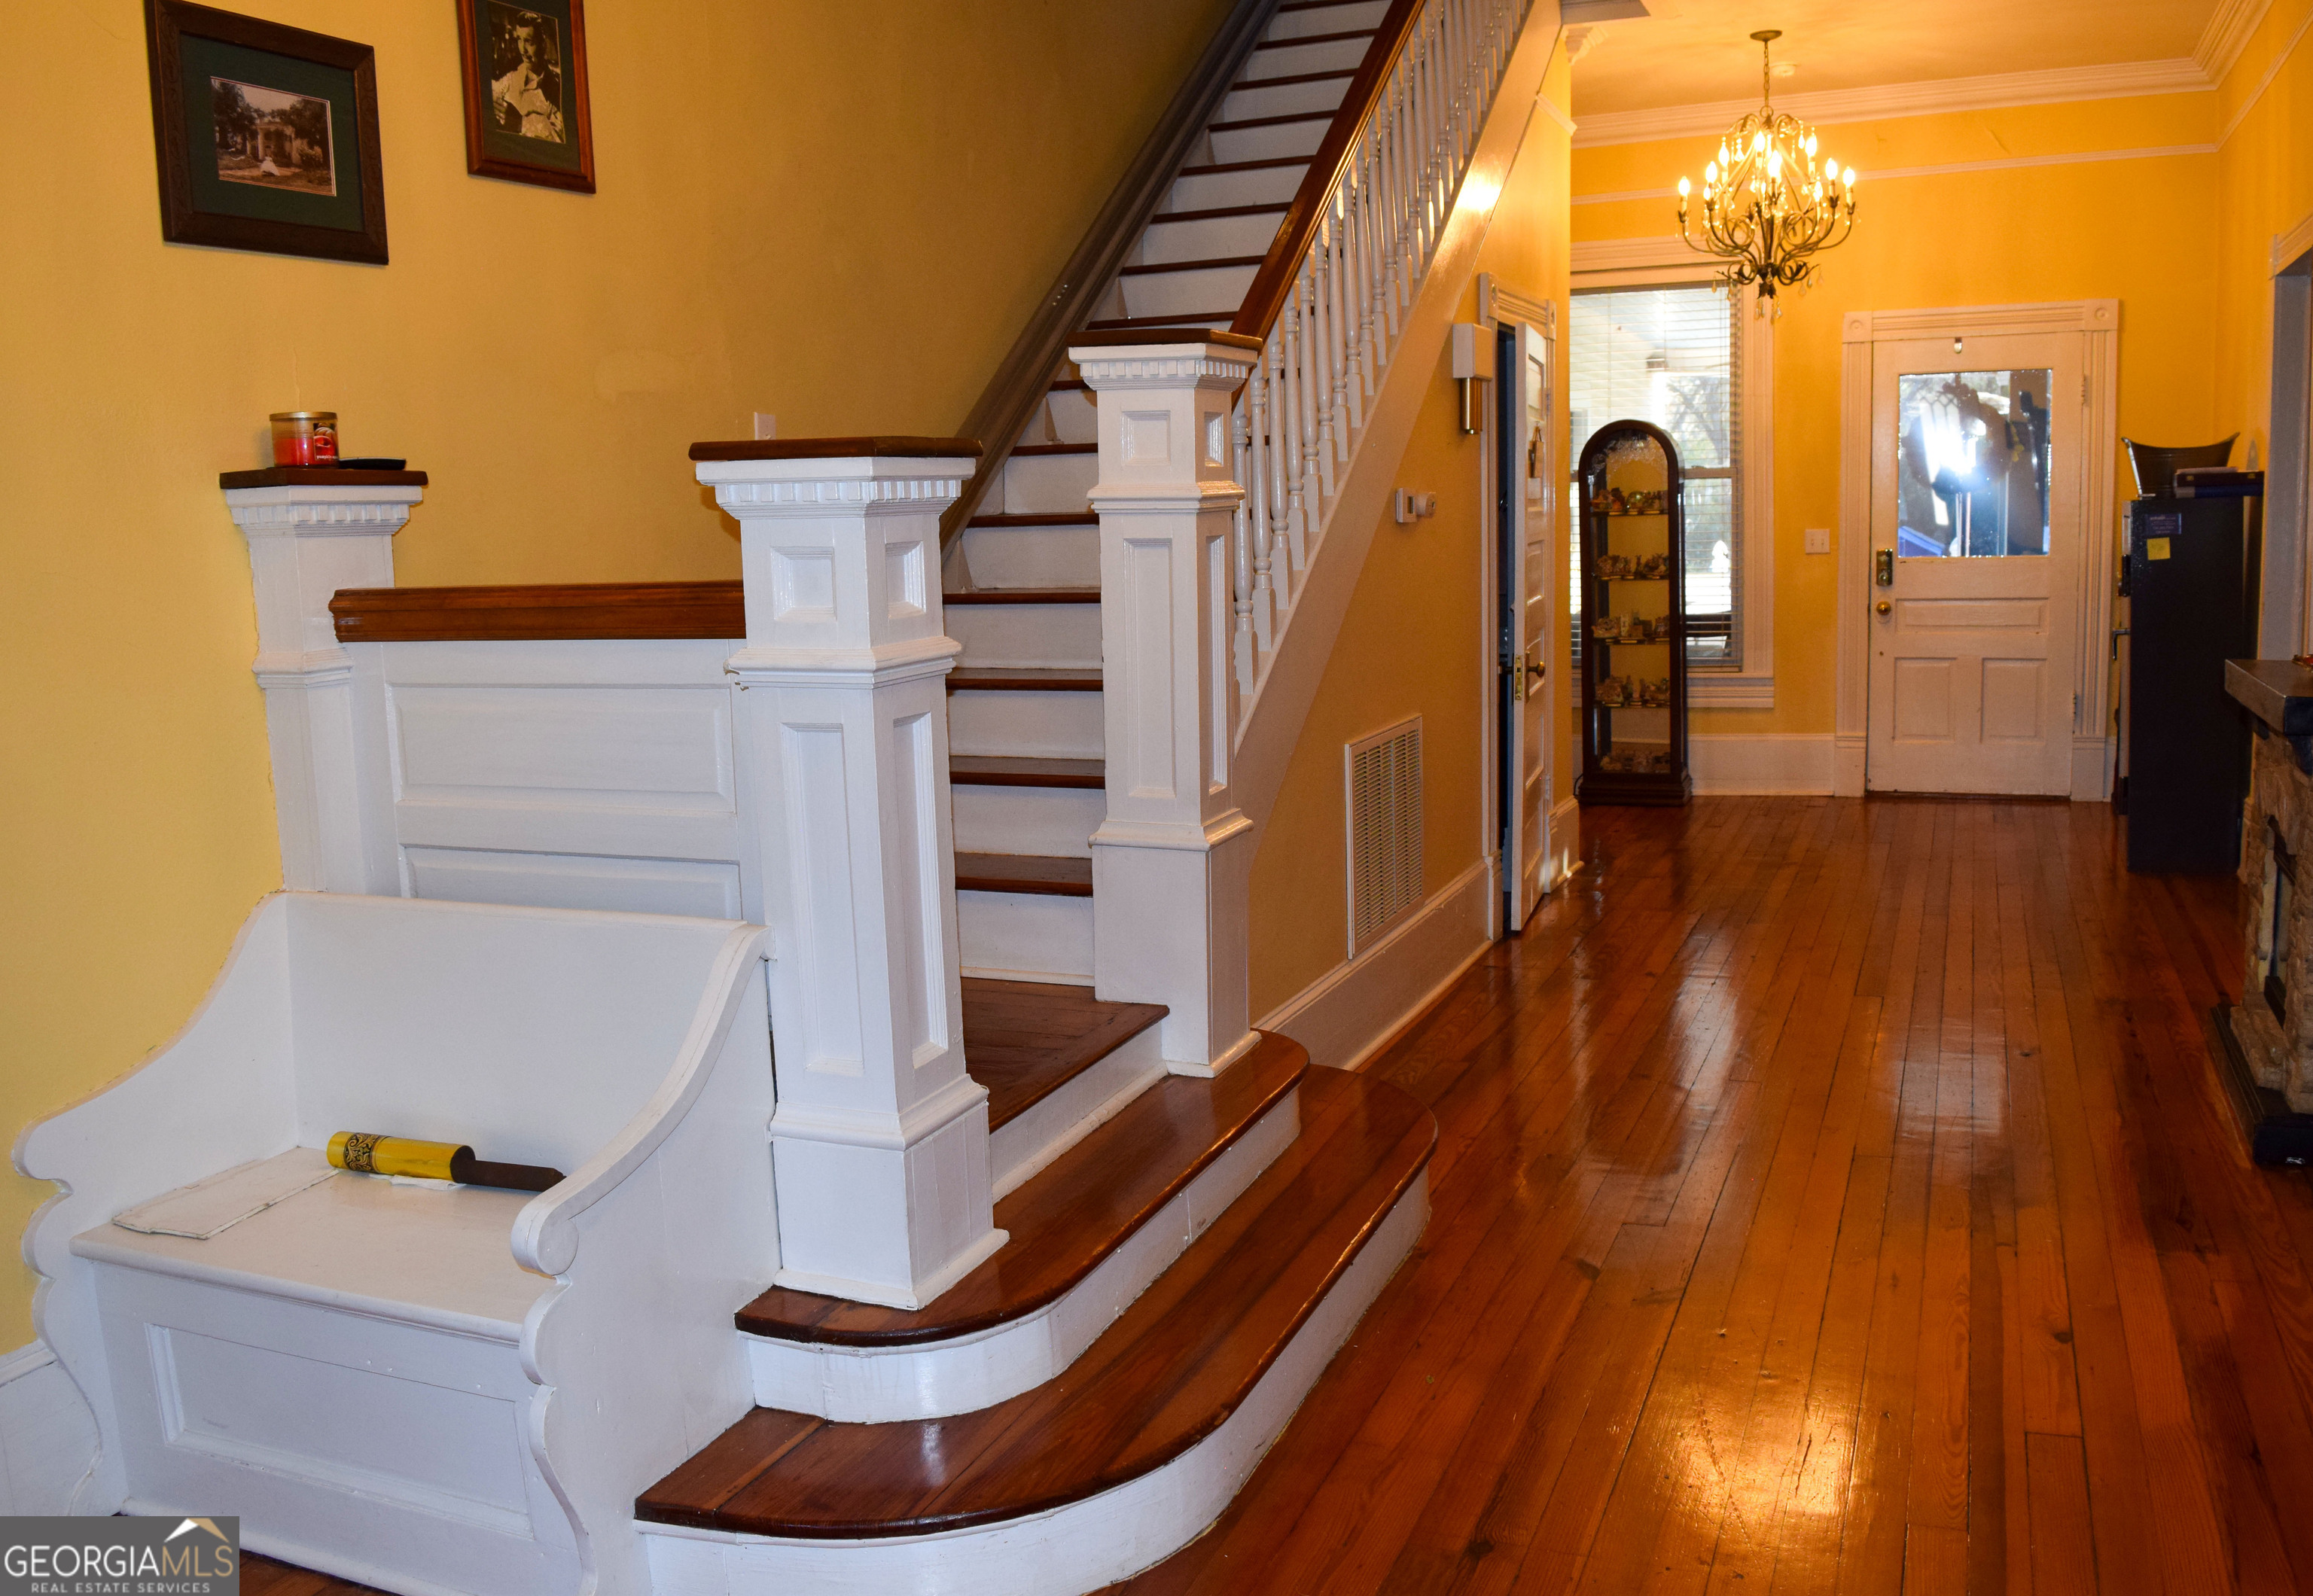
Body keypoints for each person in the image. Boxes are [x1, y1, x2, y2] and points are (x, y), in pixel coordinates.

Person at [492, 21, 564, 142]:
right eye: (519, 40)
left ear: (543, 45)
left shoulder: (554, 86)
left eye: (529, 42)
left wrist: (518, 123)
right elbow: (492, 88)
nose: (522, 50)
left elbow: (559, 139)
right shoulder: (515, 77)